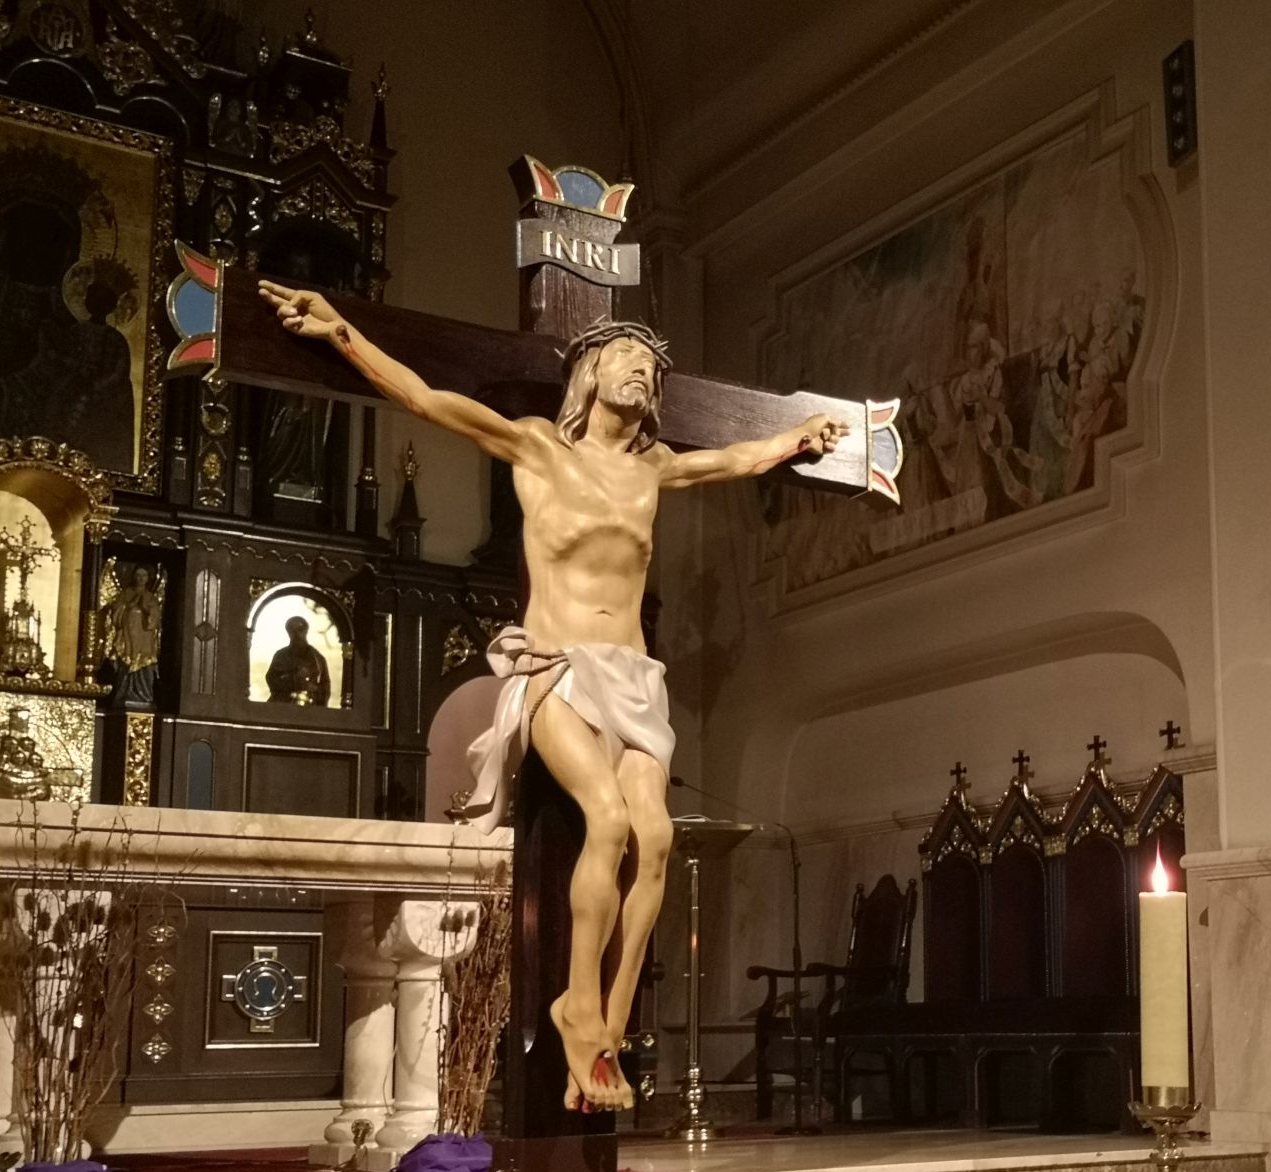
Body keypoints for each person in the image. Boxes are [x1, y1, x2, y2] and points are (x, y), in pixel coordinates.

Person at [260, 279, 847, 1112]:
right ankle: (577, 1003)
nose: (640, 370)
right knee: (606, 819)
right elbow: (426, 399)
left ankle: (608, 1019)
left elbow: (735, 458)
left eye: (650, 366)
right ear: (590, 374)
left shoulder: (654, 469)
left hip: (634, 675)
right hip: (560, 668)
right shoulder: (539, 449)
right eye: (625, 357)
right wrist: (340, 333)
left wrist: (797, 437)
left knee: (656, 835)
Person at [263, 615, 331, 706]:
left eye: (300, 629)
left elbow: (325, 686)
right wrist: (292, 680)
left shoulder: (318, 659)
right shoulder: (281, 656)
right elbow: (271, 678)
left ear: (306, 630)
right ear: (288, 632)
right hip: (284, 706)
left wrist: (313, 689)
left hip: (310, 707)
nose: (296, 634)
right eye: (292, 630)